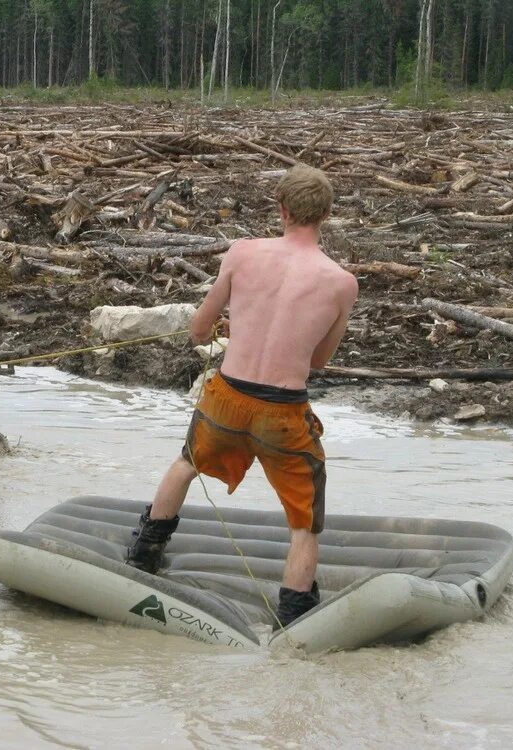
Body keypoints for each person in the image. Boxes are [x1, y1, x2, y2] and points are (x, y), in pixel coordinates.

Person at [125, 165, 358, 629]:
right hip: (283, 411)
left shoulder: (243, 253)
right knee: (304, 523)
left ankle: (143, 557)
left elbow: (197, 331)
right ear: (327, 215)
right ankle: (292, 615)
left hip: (227, 398)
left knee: (187, 464)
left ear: (282, 208)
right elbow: (318, 362)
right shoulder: (341, 282)